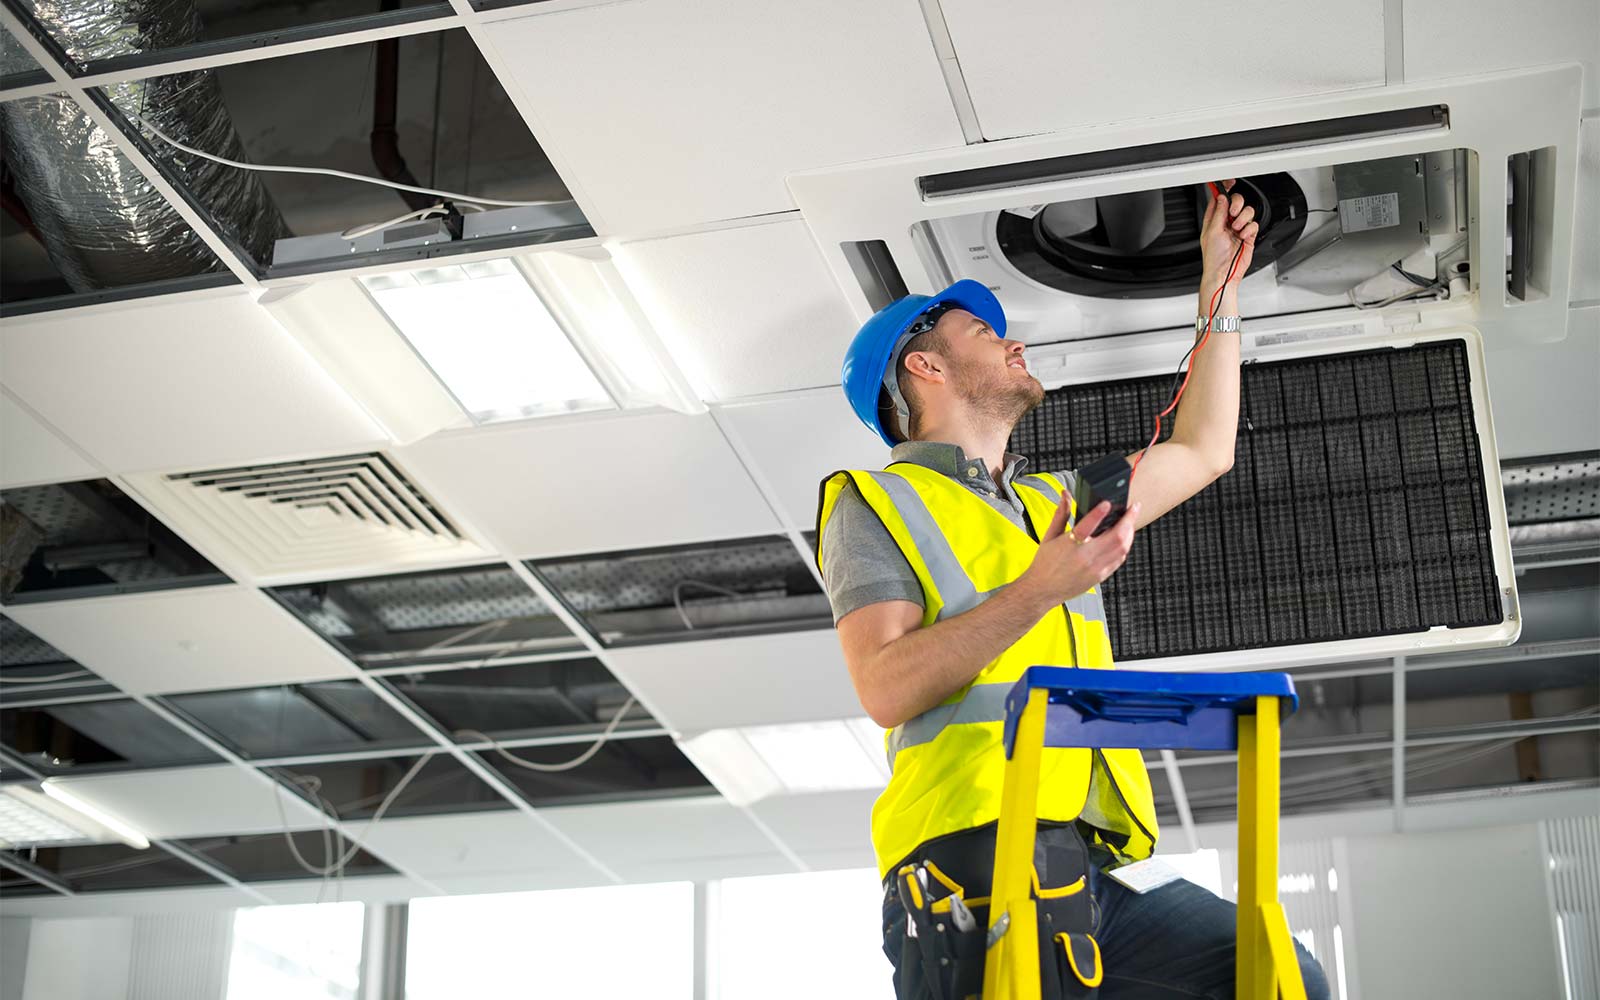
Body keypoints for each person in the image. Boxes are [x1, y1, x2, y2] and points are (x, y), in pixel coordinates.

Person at [816, 184, 1332, 999]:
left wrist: (1219, 289)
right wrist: (1036, 590)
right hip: (968, 858)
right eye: (984, 332)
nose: (1013, 342)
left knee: (1277, 975)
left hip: (1077, 863)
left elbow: (1203, 449)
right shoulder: (873, 502)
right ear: (927, 366)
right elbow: (884, 688)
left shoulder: (1054, 504)